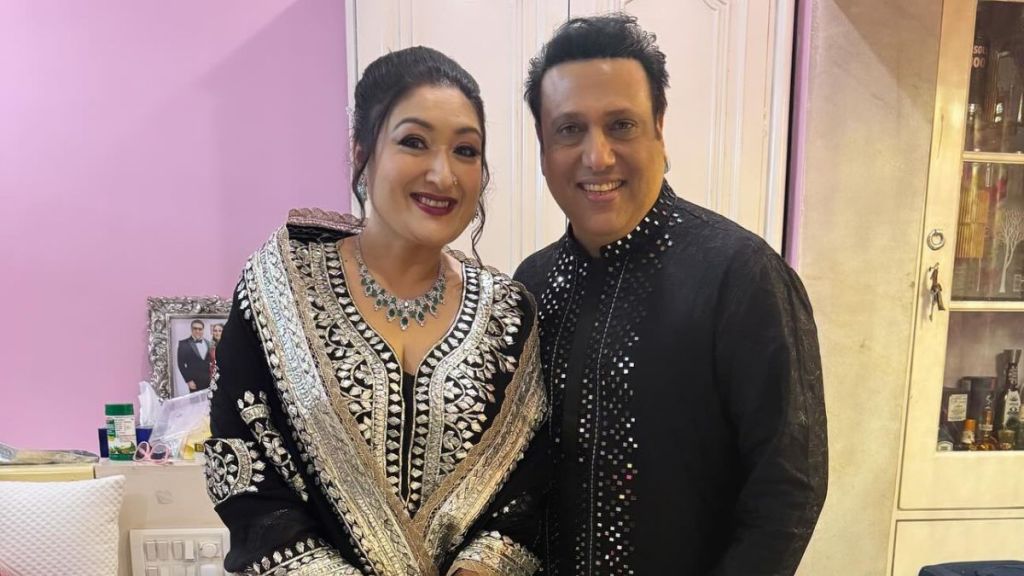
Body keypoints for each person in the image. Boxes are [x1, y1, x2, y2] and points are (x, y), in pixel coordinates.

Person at [205, 46, 547, 576]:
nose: (443, 174)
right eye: (414, 142)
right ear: (362, 151)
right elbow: (246, 474)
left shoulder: (508, 313)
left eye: (466, 150)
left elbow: (525, 491)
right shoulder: (278, 286)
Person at [513, 14, 828, 576]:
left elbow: (789, 488)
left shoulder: (740, 275)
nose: (597, 156)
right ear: (542, 148)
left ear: (659, 129)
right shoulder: (533, 286)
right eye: (569, 129)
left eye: (621, 125)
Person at [177, 319, 212, 392]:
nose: (197, 331)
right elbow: (181, 364)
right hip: (194, 382)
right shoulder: (183, 344)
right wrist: (188, 380)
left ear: (203, 330)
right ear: (191, 329)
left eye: (200, 329)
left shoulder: (209, 343)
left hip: (209, 381)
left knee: (211, 399)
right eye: (195, 328)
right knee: (196, 400)